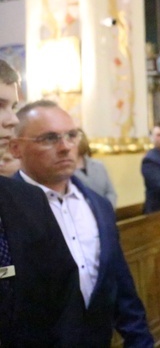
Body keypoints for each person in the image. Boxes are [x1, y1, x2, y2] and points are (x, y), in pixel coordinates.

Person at [10, 100, 153, 346]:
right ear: (16, 149)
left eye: (72, 135)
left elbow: (119, 283)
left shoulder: (99, 205)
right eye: (49, 138)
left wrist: (140, 341)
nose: (66, 147)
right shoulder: (7, 208)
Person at [0, 59, 81, 346]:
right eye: (0, 105)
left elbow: (64, 300)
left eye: (12, 106)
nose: (11, 119)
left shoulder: (28, 200)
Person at [75, 128, 118, 207]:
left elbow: (111, 192)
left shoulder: (98, 165)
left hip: (105, 214)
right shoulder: (66, 171)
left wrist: (106, 209)